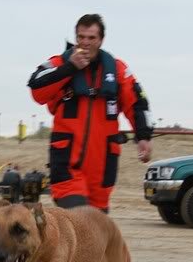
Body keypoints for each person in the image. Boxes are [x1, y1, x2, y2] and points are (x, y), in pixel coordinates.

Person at [28, 13, 153, 212]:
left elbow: (137, 103)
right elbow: (36, 88)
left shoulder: (118, 69)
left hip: (102, 166)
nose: (85, 43)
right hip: (68, 164)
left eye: (91, 38)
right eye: (81, 37)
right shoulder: (60, 63)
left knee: (97, 230)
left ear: (101, 40)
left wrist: (144, 136)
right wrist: (70, 68)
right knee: (80, 219)